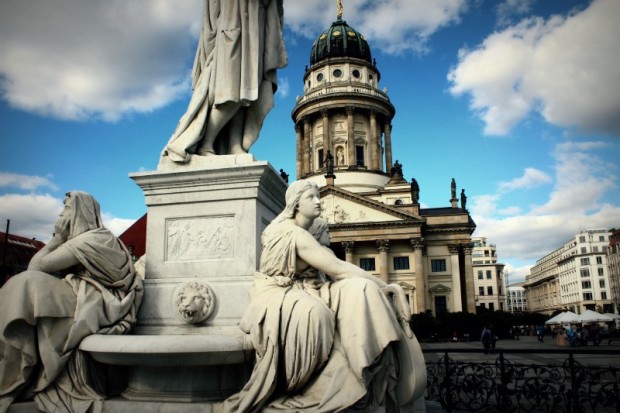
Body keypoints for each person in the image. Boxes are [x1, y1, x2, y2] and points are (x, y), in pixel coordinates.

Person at [223, 180, 425, 412]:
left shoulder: (311, 230)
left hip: (312, 288)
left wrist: (380, 287)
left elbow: (333, 268)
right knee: (316, 313)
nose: (319, 202)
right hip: (280, 293)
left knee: (362, 289)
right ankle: (321, 386)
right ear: (296, 203)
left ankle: (365, 370)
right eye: (312, 197)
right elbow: (337, 268)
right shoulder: (292, 233)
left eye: (318, 196)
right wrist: (386, 285)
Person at [0, 192, 143, 413]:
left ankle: (14, 371)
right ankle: (15, 365)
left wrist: (58, 237)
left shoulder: (91, 240)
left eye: (66, 208)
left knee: (26, 285)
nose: (60, 213)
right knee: (23, 287)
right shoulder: (97, 238)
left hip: (100, 302)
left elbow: (36, 267)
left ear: (79, 212)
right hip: (92, 298)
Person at [161, 0, 287, 162]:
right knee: (231, 90)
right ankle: (206, 143)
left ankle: (234, 144)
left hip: (255, 25)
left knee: (248, 91)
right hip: (234, 23)